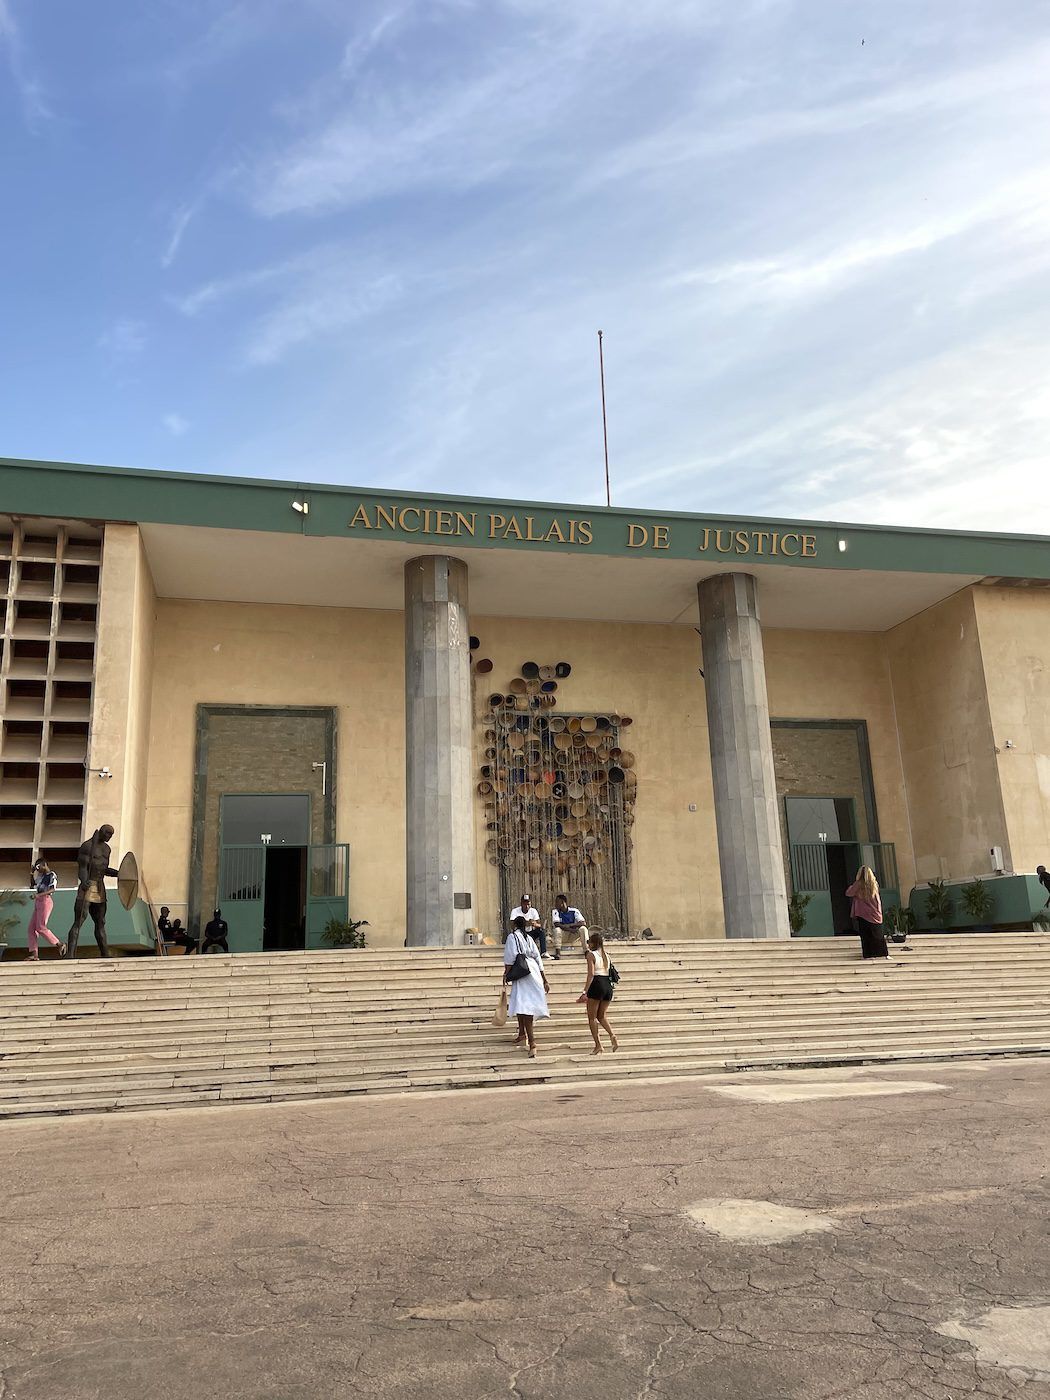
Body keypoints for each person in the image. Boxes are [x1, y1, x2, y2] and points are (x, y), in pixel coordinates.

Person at [67, 825, 118, 959]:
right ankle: (70, 954)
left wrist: (118, 873)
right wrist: (84, 881)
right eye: (108, 834)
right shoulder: (87, 846)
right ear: (101, 832)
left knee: (101, 922)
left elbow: (104, 869)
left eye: (111, 835)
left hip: (100, 887)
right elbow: (83, 867)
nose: (109, 837)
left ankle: (105, 953)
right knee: (79, 921)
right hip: (88, 885)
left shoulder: (107, 849)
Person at [503, 915, 550, 1058]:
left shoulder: (512, 937)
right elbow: (538, 958)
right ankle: (522, 1034)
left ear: (514, 925)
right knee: (520, 1003)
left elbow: (510, 958)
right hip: (534, 971)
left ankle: (533, 1043)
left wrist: (506, 973)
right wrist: (544, 979)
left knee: (525, 1007)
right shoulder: (529, 938)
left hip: (522, 971)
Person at [581, 931, 618, 1054]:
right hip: (607, 985)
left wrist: (584, 991)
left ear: (593, 943)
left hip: (597, 984)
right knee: (601, 1015)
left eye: (589, 942)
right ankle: (612, 1035)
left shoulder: (591, 955)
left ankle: (598, 1045)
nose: (588, 945)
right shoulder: (606, 955)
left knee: (592, 1017)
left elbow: (591, 974)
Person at [845, 865, 888, 959]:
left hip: (863, 914)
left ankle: (868, 954)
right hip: (874, 913)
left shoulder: (858, 884)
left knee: (865, 935)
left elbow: (849, 893)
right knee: (878, 935)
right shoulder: (874, 884)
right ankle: (882, 953)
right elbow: (877, 900)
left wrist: (852, 886)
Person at [26, 859, 66, 960]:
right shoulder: (40, 876)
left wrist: (38, 895)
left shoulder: (51, 875)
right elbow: (32, 885)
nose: (38, 870)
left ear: (44, 865)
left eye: (39, 868)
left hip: (45, 901)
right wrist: (32, 873)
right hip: (38, 902)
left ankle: (59, 944)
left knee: (40, 927)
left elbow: (52, 889)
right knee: (31, 928)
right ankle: (34, 954)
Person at [550, 894, 587, 961]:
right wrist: (570, 929)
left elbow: (583, 923)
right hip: (563, 935)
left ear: (562, 902)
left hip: (573, 934)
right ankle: (558, 952)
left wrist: (570, 925)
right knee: (557, 930)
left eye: (557, 902)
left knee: (583, 929)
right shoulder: (555, 911)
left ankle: (586, 950)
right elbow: (557, 924)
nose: (555, 904)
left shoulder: (574, 911)